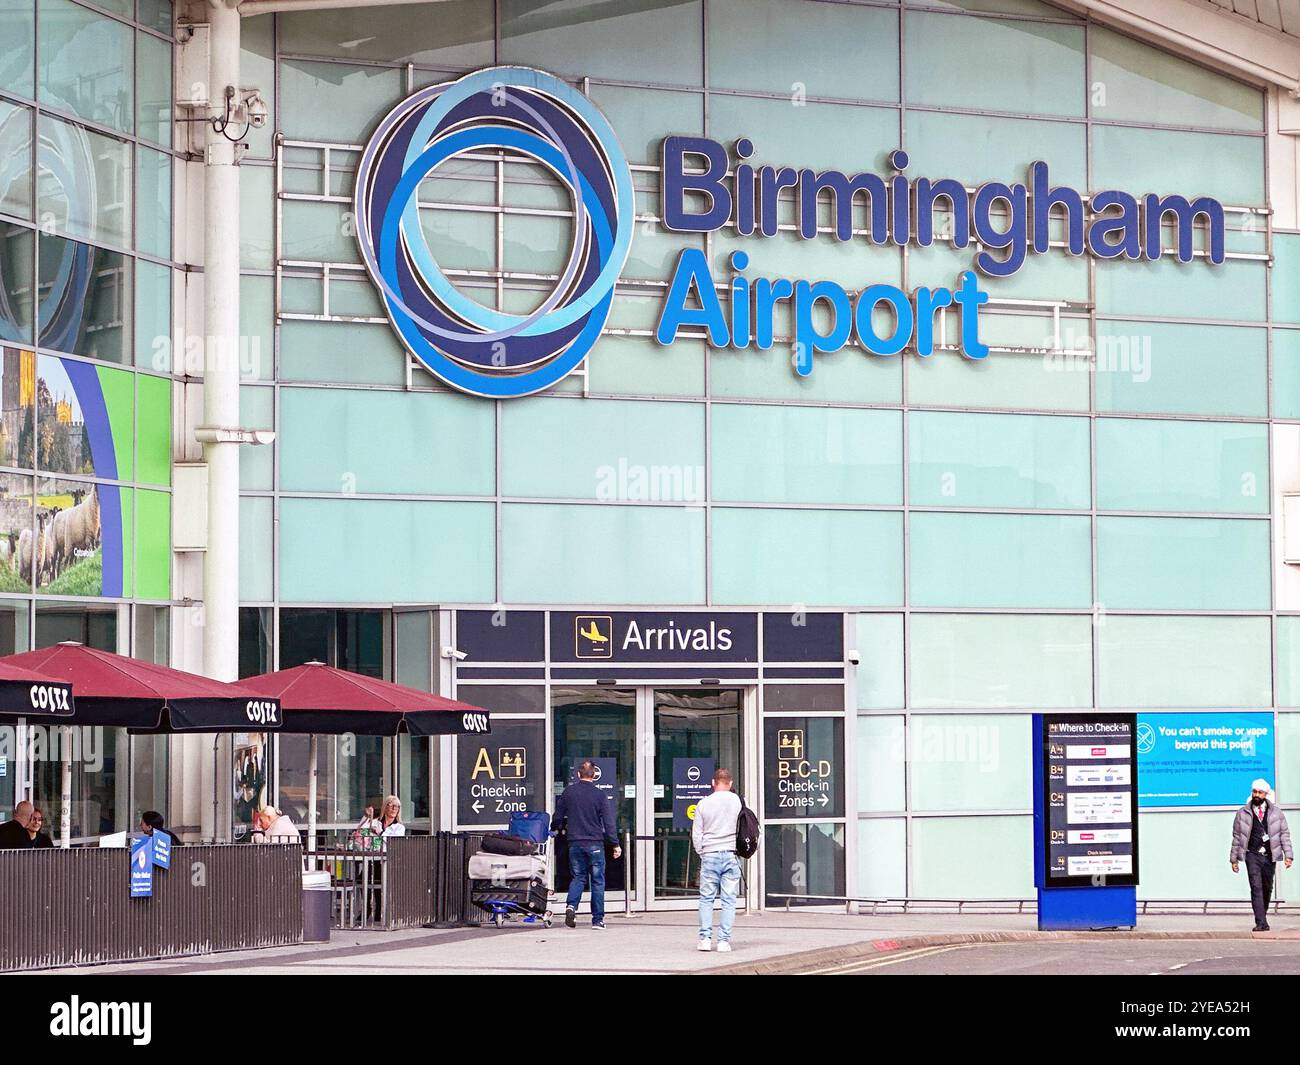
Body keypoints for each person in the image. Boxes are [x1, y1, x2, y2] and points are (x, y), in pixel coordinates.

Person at [553, 760, 620, 930]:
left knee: (578, 877)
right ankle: (597, 920)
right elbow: (608, 821)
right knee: (597, 881)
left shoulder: (569, 792)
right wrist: (614, 843)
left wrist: (554, 828)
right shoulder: (600, 795)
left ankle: (571, 907)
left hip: (574, 842)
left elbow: (558, 815)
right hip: (595, 843)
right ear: (594, 775)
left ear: (578, 775)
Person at [1230, 778, 1293, 932]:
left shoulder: (1276, 813)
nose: (1256, 795)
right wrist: (1234, 859)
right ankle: (1260, 922)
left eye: (1260, 792)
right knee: (1255, 887)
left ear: (1266, 794)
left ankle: (1262, 917)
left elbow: (1284, 834)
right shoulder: (1242, 813)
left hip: (1270, 856)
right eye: (1254, 791)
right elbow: (1237, 837)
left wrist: (1288, 855)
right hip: (1251, 854)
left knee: (1266, 887)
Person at [692, 767, 743, 953]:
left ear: (713, 783)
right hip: (731, 854)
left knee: (706, 898)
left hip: (710, 854)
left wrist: (702, 852)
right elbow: (750, 828)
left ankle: (705, 939)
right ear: (730, 784)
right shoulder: (739, 801)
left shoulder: (703, 803)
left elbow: (697, 834)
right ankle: (724, 941)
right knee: (729, 899)